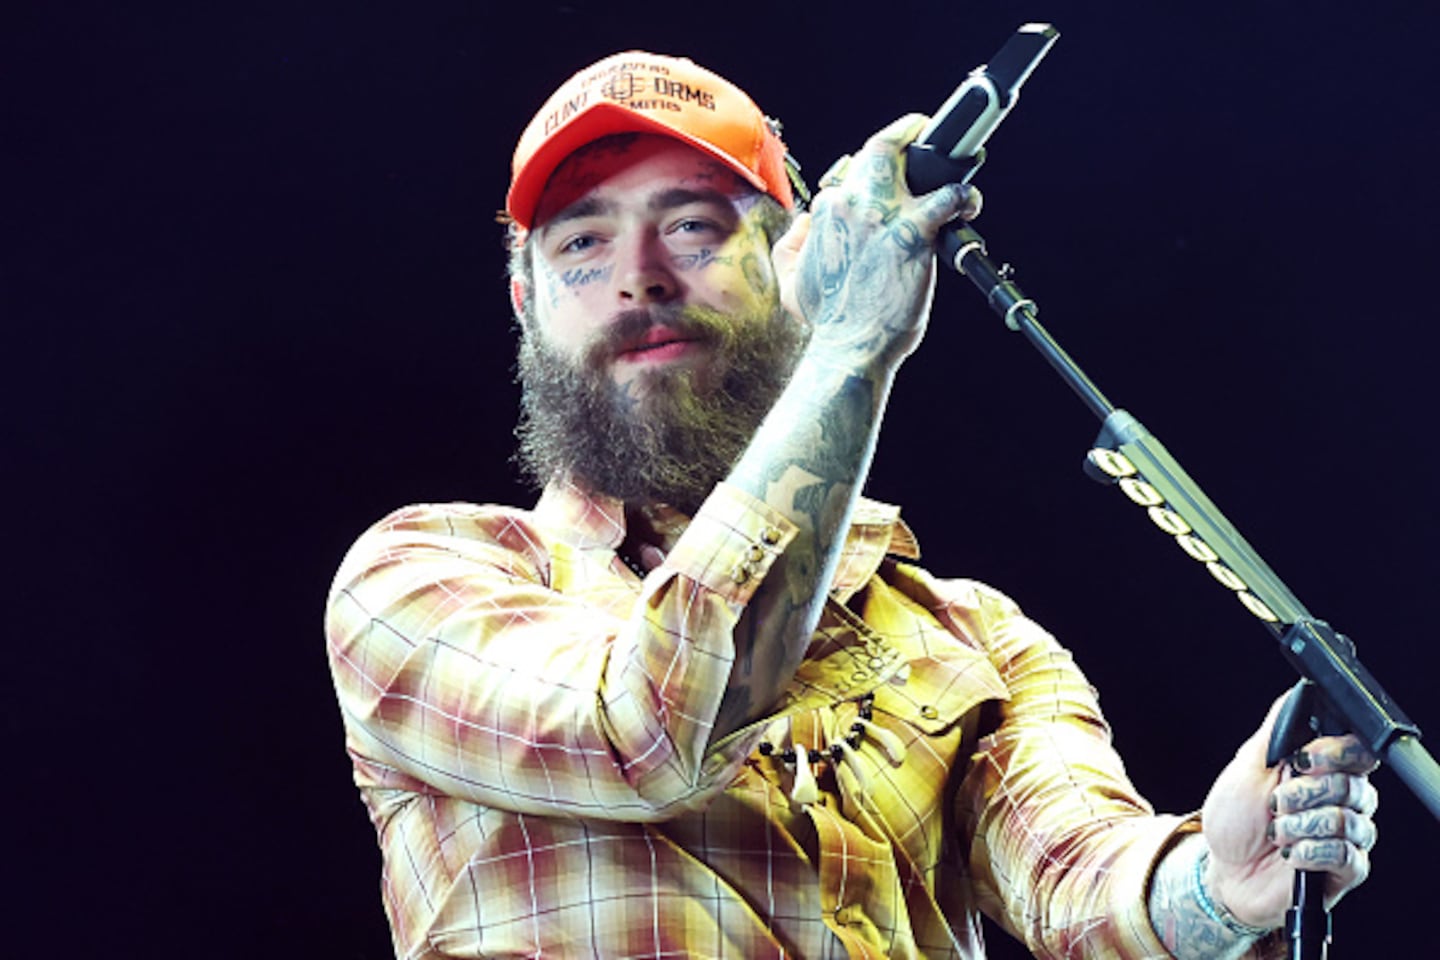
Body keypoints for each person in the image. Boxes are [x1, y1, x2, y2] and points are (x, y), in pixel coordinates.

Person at [325, 51, 1379, 959]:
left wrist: (1220, 885)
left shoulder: (973, 637)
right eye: (582, 245)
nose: (638, 277)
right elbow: (645, 729)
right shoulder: (422, 577)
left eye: (691, 227)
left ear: (791, 262)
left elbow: (1081, 884)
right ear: (527, 304)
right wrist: (853, 344)